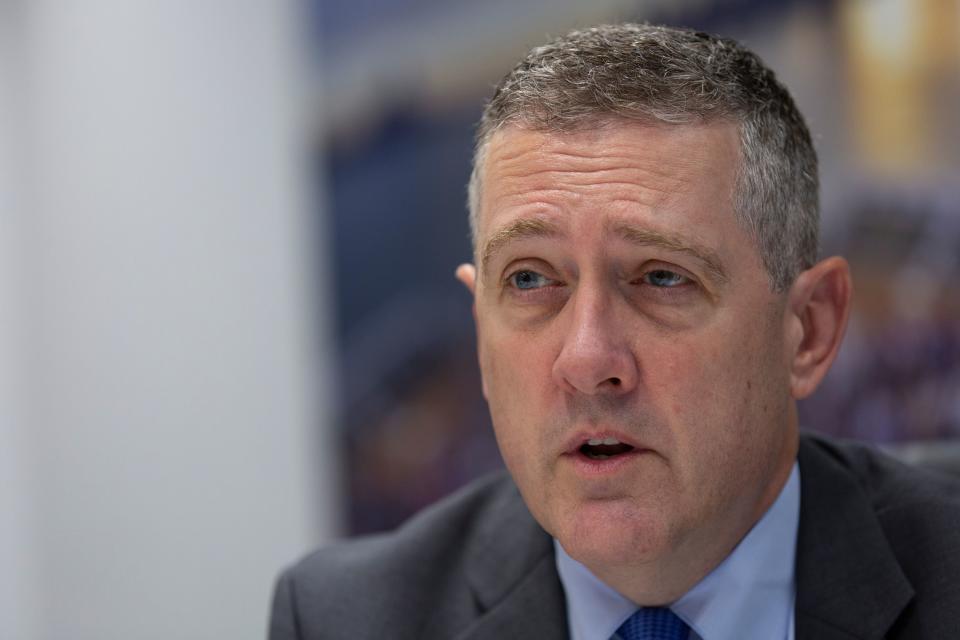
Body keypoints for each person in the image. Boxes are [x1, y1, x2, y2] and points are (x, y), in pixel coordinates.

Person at [269, 23, 960, 639]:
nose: (588, 358)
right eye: (532, 281)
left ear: (807, 330)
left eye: (662, 277)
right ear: (482, 334)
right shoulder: (344, 619)